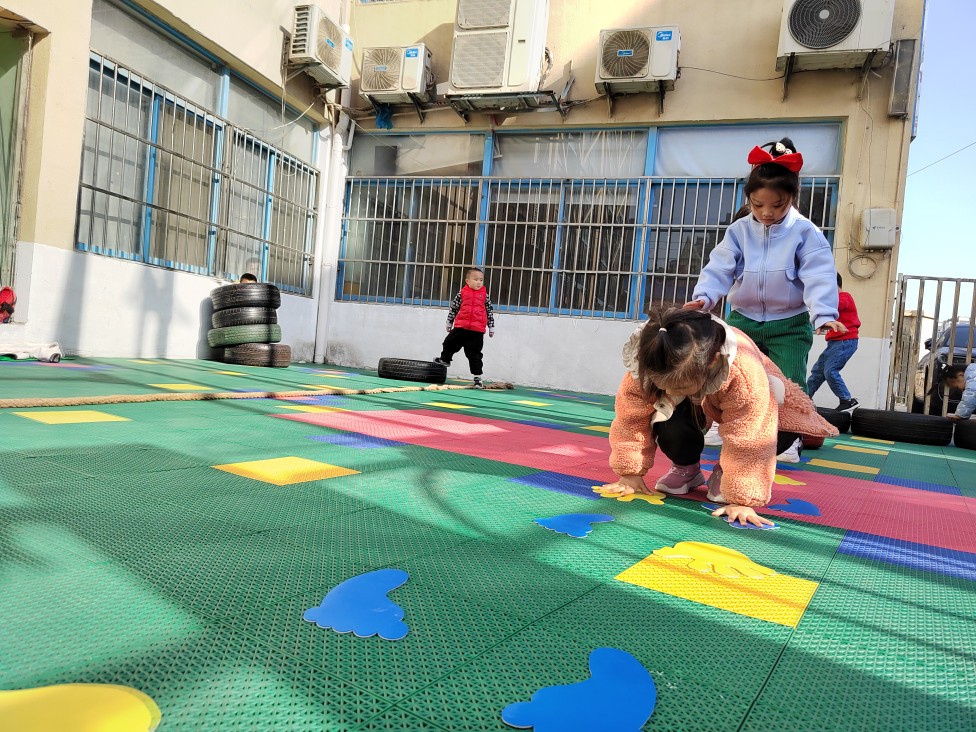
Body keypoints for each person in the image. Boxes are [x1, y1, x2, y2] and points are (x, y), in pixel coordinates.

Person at [600, 308, 837, 528]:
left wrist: (741, 499)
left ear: (713, 362)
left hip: (761, 411)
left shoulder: (744, 372)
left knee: (779, 434)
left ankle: (725, 472)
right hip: (695, 403)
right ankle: (687, 468)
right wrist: (630, 473)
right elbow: (630, 420)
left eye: (679, 386)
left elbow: (752, 436)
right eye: (663, 385)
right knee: (664, 415)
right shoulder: (648, 361)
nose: (670, 391)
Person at [685, 137, 846, 460]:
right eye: (758, 205)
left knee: (789, 381)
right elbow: (720, 267)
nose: (767, 213)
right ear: (749, 199)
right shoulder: (739, 231)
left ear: (792, 198)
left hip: (789, 323)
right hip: (743, 319)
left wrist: (825, 314)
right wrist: (705, 297)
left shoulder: (806, 233)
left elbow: (819, 275)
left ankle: (790, 437)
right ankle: (722, 422)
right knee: (728, 373)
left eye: (777, 205)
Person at [434, 267, 495, 389]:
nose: (479, 282)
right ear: (467, 281)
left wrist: (491, 327)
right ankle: (445, 359)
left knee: (475, 355)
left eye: (481, 280)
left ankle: (477, 378)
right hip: (461, 327)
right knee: (448, 342)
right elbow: (454, 308)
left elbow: (489, 311)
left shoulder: (485, 296)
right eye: (476, 279)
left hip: (476, 331)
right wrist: (449, 322)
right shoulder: (462, 293)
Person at [807, 273, 861, 410]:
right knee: (817, 371)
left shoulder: (844, 297)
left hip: (846, 341)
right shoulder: (831, 302)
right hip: (834, 343)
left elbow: (833, 307)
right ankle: (805, 398)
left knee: (830, 371)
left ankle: (847, 400)